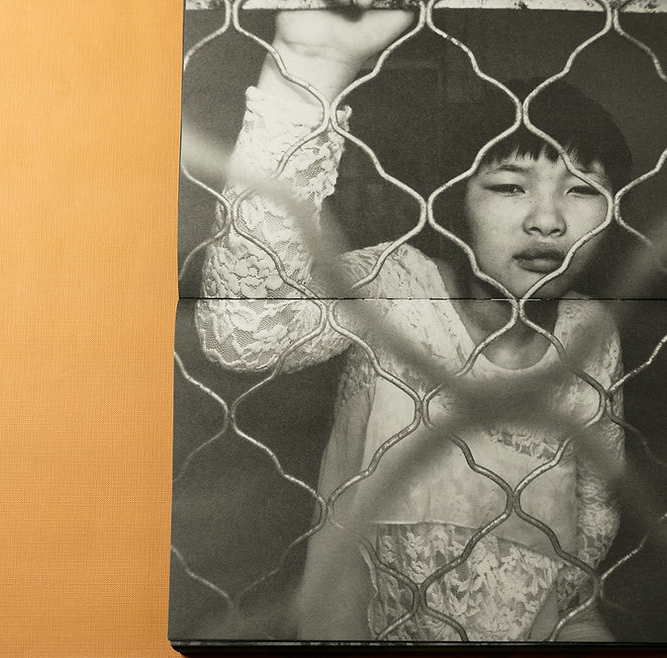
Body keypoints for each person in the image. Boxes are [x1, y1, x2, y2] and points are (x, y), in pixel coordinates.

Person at [195, 0, 628, 642]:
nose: (548, 221)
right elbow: (244, 334)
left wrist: (576, 617)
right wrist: (307, 78)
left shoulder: (591, 331)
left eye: (583, 190)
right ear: (453, 203)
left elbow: (594, 505)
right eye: (510, 187)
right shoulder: (397, 288)